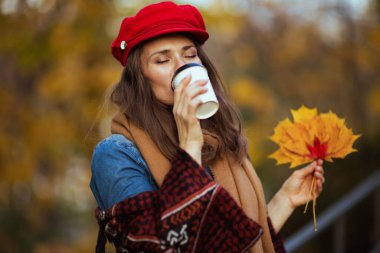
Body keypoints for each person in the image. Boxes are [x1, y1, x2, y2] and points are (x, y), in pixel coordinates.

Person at [90, 2, 325, 253]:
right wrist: (190, 144)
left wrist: (284, 201)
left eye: (190, 55)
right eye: (162, 60)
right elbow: (158, 247)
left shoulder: (220, 141)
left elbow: (233, 242)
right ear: (140, 80)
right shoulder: (116, 153)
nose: (182, 66)